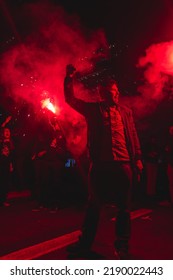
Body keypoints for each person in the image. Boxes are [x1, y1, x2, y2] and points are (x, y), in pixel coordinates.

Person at [63, 64, 143, 259]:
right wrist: (69, 79)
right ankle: (84, 244)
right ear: (101, 94)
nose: (113, 95)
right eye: (109, 92)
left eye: (115, 91)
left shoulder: (126, 112)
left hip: (123, 164)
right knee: (94, 205)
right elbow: (70, 100)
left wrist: (138, 158)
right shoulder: (94, 109)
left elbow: (132, 135)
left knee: (124, 207)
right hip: (100, 165)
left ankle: (121, 246)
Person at [0, 126, 14, 206]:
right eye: (5, 131)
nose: (7, 132)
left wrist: (11, 165)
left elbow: (11, 155)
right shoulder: (1, 142)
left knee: (5, 182)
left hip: (6, 165)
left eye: (8, 131)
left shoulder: (11, 143)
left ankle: (3, 200)